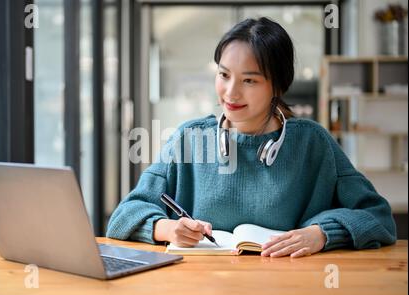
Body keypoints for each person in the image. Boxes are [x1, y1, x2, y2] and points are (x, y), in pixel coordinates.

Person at [106, 17, 396, 257]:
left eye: (249, 80)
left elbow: (378, 217)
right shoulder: (188, 138)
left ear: (277, 86)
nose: (231, 93)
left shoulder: (313, 143)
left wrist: (321, 234)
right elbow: (123, 217)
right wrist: (167, 228)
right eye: (224, 75)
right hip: (201, 291)